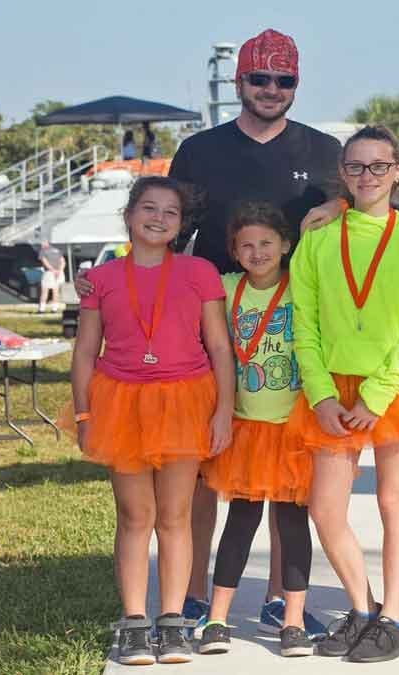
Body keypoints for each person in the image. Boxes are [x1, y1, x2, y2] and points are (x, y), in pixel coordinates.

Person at [168, 27, 341, 633]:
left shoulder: (325, 152)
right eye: (259, 78)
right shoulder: (198, 151)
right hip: (213, 322)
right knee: (203, 466)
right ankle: (191, 592)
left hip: (295, 330)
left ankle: (277, 598)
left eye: (284, 79)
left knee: (288, 470)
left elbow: (359, 213)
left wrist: (340, 206)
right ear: (239, 81)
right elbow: (169, 232)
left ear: (296, 84)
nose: (272, 89)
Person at [287, 125, 399, 662]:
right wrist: (321, 393)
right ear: (342, 174)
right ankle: (362, 607)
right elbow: (302, 322)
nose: (367, 176)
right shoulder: (318, 238)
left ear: (398, 171)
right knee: (325, 507)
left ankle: (395, 619)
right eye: (355, 167)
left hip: (395, 385)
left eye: (379, 166)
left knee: (392, 500)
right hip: (332, 389)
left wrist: (376, 394)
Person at [65, 176, 235, 665]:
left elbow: (219, 346)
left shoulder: (198, 271)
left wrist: (223, 409)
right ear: (129, 215)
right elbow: (84, 352)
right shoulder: (101, 279)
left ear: (181, 225)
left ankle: (173, 620)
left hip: (185, 399)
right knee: (135, 515)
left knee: (176, 515)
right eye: (148, 207)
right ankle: (136, 620)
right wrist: (83, 412)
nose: (158, 218)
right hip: (121, 402)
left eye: (170, 212)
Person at [197, 202, 314, 659]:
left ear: (286, 245)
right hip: (246, 427)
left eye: (267, 242)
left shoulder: (302, 286)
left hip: (293, 427)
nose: (257, 251)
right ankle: (217, 619)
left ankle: (293, 621)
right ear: (234, 251)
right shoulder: (225, 288)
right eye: (246, 244)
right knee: (240, 521)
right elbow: (173, 283)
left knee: (292, 522)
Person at [38, 240, 66, 313]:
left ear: (46, 243)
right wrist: (59, 271)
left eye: (42, 242)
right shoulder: (57, 250)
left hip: (49, 273)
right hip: (60, 272)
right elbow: (63, 261)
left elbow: (45, 262)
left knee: (45, 290)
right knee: (56, 291)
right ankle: (54, 309)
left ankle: (41, 309)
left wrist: (53, 271)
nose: (41, 244)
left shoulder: (43, 251)